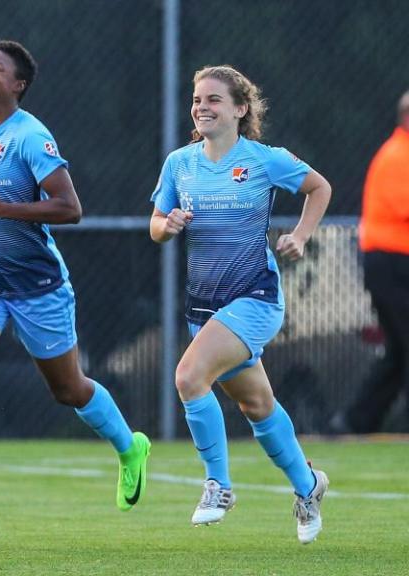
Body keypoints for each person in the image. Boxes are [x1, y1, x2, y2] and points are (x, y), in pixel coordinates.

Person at [0, 40, 151, 540]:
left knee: (68, 389)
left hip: (36, 285)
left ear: (18, 85)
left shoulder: (31, 136)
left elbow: (69, 207)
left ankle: (129, 446)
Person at [149, 65, 332, 544]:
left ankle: (218, 485)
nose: (202, 107)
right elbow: (156, 223)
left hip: (254, 297)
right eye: (197, 99)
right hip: (204, 307)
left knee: (188, 377)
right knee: (257, 404)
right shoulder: (180, 163)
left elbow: (320, 187)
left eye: (213, 99)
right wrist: (167, 225)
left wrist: (300, 235)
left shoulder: (264, 159)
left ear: (240, 109)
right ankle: (309, 486)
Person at [333, 90, 409, 434]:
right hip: (390, 264)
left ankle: (354, 422)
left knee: (399, 351)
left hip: (395, 264)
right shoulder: (397, 156)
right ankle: (354, 421)